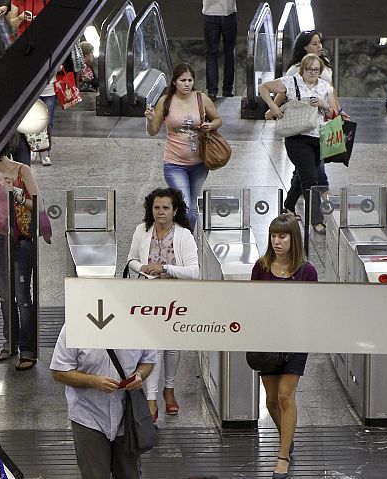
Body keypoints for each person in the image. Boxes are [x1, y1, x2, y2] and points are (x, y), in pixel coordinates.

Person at [251, 213, 318, 479]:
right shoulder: (261, 267)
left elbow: (312, 307)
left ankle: (282, 456)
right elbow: (252, 301)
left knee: (285, 396)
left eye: (282, 236)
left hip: (296, 339)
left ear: (293, 239)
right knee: (270, 400)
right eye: (273, 236)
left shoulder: (307, 271)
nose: (276, 241)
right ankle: (286, 439)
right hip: (267, 339)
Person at [0, 136, 51, 371]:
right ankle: (10, 345)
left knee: (22, 297)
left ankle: (28, 351)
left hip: (20, 239)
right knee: (4, 296)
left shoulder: (22, 170)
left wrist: (15, 194)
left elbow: (38, 204)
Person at [127, 187, 199, 421]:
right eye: (156, 207)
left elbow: (194, 271)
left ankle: (169, 388)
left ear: (175, 211)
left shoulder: (184, 235)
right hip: (148, 297)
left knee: (172, 345)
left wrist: (165, 268)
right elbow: (131, 260)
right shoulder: (142, 231)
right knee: (153, 346)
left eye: (166, 207)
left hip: (174, 298)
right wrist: (143, 268)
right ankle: (151, 398)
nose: (160, 211)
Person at [50, 324, 157, 478]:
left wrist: (139, 374)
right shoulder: (76, 325)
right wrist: (93, 381)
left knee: (129, 473)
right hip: (88, 416)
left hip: (127, 417)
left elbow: (148, 360)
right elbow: (59, 371)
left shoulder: (139, 324)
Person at [270, 31, 350, 217]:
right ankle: (319, 211)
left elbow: (331, 91)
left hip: (323, 122)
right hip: (303, 125)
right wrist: (273, 108)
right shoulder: (295, 70)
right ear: (305, 46)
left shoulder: (325, 65)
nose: (319, 46)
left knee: (304, 171)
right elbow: (284, 90)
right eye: (315, 43)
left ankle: (289, 206)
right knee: (311, 172)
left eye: (320, 43)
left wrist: (338, 110)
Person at [259, 53, 339, 234]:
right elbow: (263, 87)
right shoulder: (291, 82)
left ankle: (288, 206)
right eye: (309, 69)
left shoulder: (325, 87)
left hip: (318, 137)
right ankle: (316, 220)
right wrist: (273, 107)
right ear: (302, 70)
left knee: (301, 174)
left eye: (316, 70)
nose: (312, 73)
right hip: (296, 137)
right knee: (310, 179)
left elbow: (333, 114)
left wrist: (324, 104)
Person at [145, 62, 222, 231]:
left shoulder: (201, 98)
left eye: (189, 80)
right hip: (174, 164)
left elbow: (218, 119)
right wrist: (150, 120)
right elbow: (153, 130)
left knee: (192, 209)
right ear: (174, 82)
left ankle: (186, 239)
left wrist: (211, 125)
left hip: (200, 163)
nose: (187, 84)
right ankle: (183, 239)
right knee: (185, 207)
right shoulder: (166, 101)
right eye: (182, 80)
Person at [7, 0, 57, 166]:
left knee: (47, 112)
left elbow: (56, 22)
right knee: (29, 110)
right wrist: (22, 17)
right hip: (26, 51)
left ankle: (45, 151)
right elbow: (13, 22)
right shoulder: (18, 1)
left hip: (45, 49)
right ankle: (32, 147)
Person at [202, 0, 237, 100]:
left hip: (209, 12)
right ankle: (227, 90)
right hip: (228, 11)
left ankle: (212, 92)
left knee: (211, 53)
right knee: (229, 52)